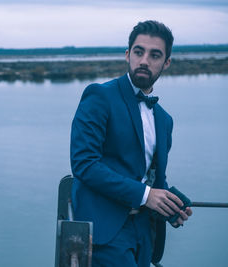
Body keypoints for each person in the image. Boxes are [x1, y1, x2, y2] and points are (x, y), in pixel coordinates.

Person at [70, 20, 193, 267]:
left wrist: (170, 205)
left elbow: (151, 178)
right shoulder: (99, 96)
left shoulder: (164, 120)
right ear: (128, 54)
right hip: (105, 232)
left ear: (166, 62)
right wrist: (145, 195)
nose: (144, 60)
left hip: (145, 232)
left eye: (155, 54)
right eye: (139, 52)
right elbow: (84, 164)